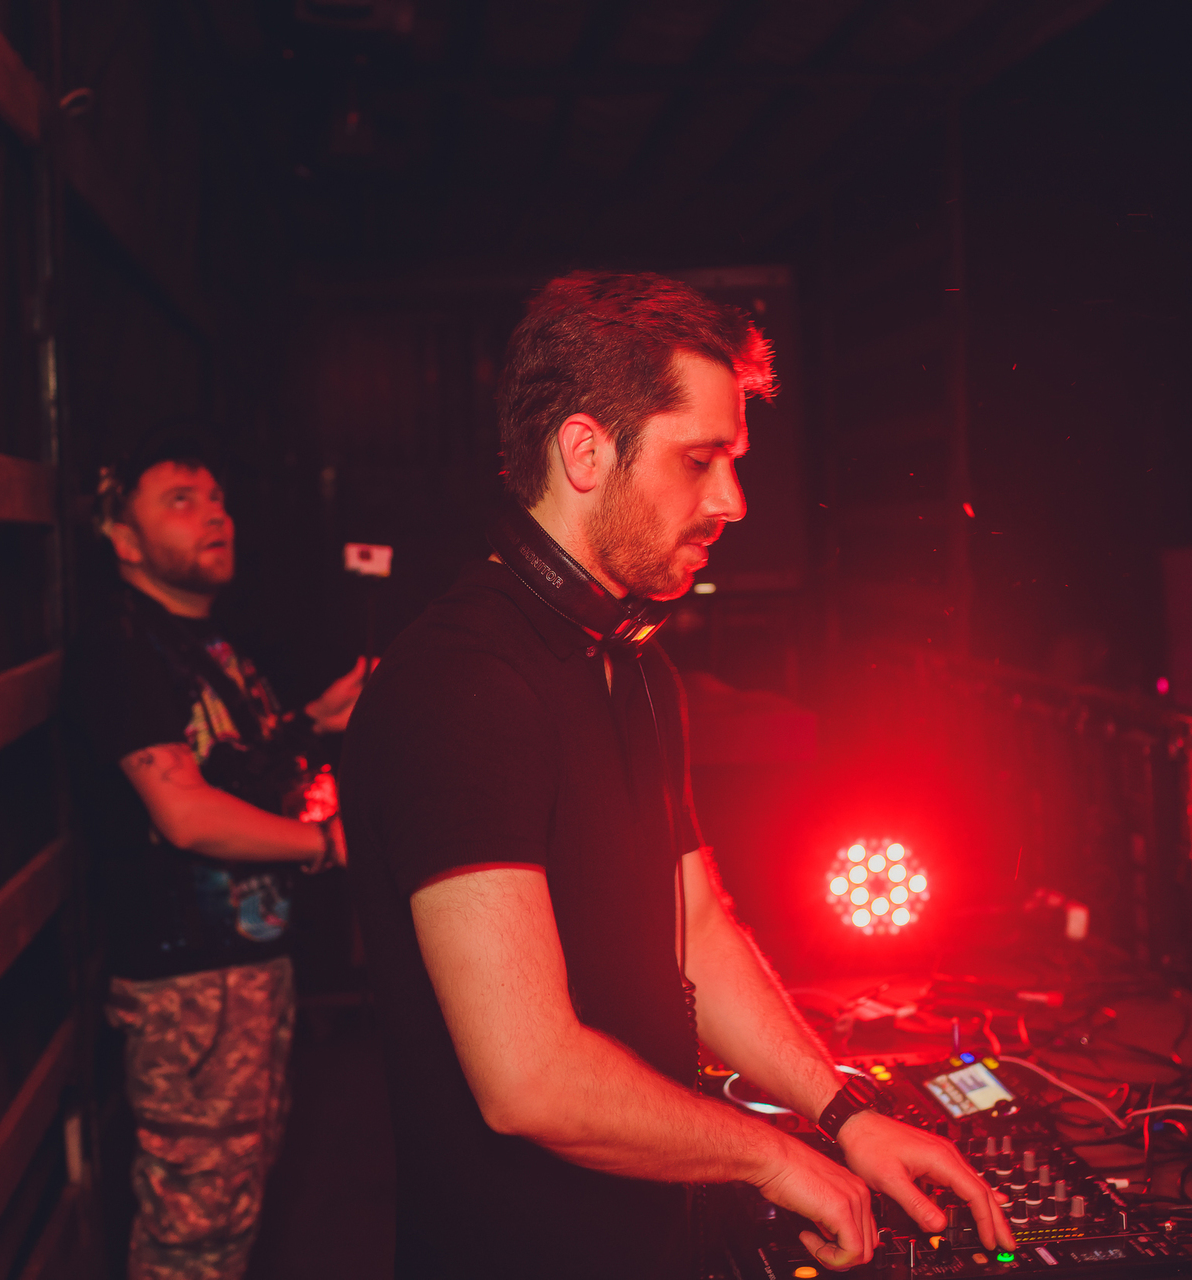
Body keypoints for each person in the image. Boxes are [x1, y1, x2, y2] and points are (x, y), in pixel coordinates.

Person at [342, 271, 1013, 1279]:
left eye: (733, 461)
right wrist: (771, 1156)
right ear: (584, 451)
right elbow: (527, 1079)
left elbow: (695, 926)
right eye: (700, 460)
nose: (733, 501)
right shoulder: (463, 687)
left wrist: (845, 1114)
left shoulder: (637, 666)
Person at [65, 432, 369, 1280]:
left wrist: (312, 722)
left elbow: (235, 769)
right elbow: (186, 815)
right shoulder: (121, 647)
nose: (215, 516)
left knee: (233, 1216)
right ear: (123, 539)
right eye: (181, 501)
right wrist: (327, 845)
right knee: (192, 1241)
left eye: (218, 501)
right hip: (187, 993)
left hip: (249, 976)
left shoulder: (209, 646)